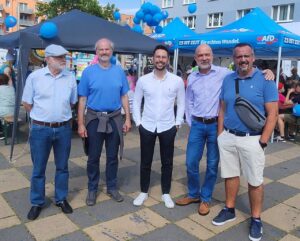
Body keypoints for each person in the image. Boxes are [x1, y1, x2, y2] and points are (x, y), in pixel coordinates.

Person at [175, 44, 274, 216]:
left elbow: (245, 69)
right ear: (196, 58)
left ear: (212, 56)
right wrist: (191, 123)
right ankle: (193, 194)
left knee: (213, 165)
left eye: (207, 54)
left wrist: (265, 71)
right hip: (197, 125)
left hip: (215, 125)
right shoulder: (191, 77)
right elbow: (189, 101)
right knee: (191, 162)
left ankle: (205, 198)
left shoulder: (224, 74)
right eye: (200, 55)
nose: (204, 58)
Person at [212, 43, 278, 241]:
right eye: (239, 56)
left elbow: (273, 113)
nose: (243, 60)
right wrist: (220, 134)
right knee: (230, 175)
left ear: (253, 57)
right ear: (234, 59)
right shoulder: (227, 79)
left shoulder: (266, 80)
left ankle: (256, 218)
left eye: (246, 56)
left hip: (253, 139)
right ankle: (229, 208)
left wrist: (263, 141)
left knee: (255, 181)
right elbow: (222, 108)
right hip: (228, 137)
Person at [22, 44, 78, 220]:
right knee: (39, 168)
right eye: (59, 57)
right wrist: (42, 117)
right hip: (40, 129)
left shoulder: (70, 77)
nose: (63, 60)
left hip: (63, 128)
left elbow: (72, 102)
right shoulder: (35, 77)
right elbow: (27, 103)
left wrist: (57, 115)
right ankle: (37, 202)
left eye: (64, 56)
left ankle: (61, 199)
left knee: (63, 167)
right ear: (47, 59)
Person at [77, 38, 131, 206]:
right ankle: (92, 189)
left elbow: (124, 96)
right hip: (93, 119)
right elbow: (82, 99)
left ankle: (112, 187)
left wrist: (128, 118)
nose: (104, 52)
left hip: (114, 118)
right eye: (101, 49)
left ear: (111, 51)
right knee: (93, 156)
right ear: (96, 52)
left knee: (112, 156)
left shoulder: (119, 72)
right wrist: (80, 123)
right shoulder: (88, 72)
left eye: (107, 49)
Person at [132, 45, 185, 208]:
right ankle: (143, 191)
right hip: (147, 126)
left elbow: (181, 104)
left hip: (168, 126)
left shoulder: (177, 81)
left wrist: (177, 123)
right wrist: (138, 123)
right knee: (145, 161)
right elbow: (136, 102)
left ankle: (166, 193)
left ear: (167, 60)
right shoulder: (143, 80)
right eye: (157, 57)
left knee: (167, 162)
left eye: (163, 57)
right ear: (153, 59)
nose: (160, 60)